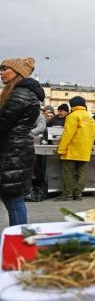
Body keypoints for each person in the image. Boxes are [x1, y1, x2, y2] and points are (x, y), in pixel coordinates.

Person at [0, 57, 44, 225]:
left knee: (13, 200)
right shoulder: (20, 92)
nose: (1, 72)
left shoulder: (20, 94)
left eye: (5, 69)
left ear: (17, 72)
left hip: (12, 152)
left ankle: (18, 240)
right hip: (14, 150)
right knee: (13, 199)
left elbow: (3, 122)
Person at [56, 96, 95, 201]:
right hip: (85, 150)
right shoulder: (89, 117)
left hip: (72, 149)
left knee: (68, 172)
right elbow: (93, 134)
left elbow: (68, 134)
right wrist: (90, 148)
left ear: (72, 105)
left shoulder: (72, 116)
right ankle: (78, 194)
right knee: (82, 172)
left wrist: (61, 149)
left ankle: (68, 195)